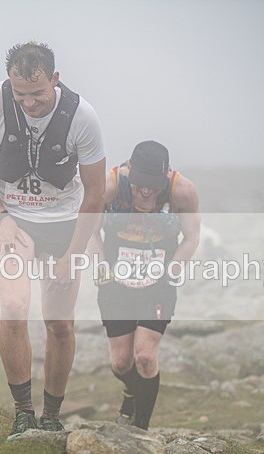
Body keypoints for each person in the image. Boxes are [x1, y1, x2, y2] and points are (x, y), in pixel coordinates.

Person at [0, 42, 106, 439]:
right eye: (20, 94)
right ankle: (23, 412)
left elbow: (95, 194)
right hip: (12, 219)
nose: (29, 103)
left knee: (59, 324)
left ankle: (52, 415)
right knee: (13, 307)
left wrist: (72, 255)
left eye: (38, 94)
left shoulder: (83, 117)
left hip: (63, 224)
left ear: (55, 79)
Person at [88, 140, 200, 430]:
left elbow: (191, 237)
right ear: (129, 172)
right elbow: (89, 230)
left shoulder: (182, 191)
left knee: (146, 358)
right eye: (139, 185)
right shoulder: (109, 185)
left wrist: (173, 271)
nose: (146, 192)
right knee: (121, 363)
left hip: (157, 281)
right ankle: (131, 392)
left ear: (165, 176)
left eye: (153, 185)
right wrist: (100, 266)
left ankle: (141, 430)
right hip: (116, 279)